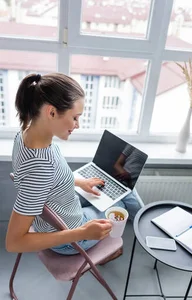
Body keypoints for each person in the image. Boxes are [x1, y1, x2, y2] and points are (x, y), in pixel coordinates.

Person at [6, 73, 143, 258]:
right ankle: (142, 231)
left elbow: (51, 176)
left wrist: (79, 182)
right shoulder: (40, 170)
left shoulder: (26, 135)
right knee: (122, 203)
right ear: (52, 112)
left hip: (64, 208)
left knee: (118, 190)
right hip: (70, 239)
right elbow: (14, 242)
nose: (77, 125)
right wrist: (83, 233)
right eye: (75, 117)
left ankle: (142, 225)